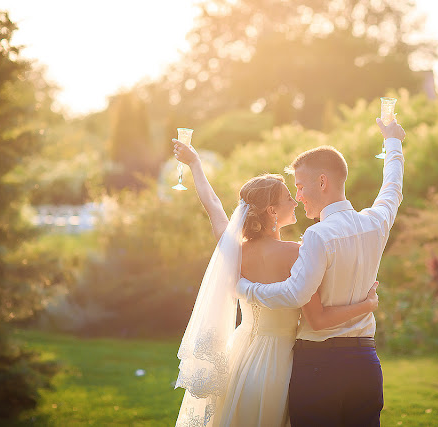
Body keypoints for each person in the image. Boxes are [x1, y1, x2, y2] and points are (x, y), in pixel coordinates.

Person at [171, 138, 380, 427]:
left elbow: (214, 207)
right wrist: (367, 303)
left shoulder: (235, 248)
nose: (296, 200)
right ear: (272, 211)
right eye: (287, 199)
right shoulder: (298, 253)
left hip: (240, 359)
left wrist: (195, 165)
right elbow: (316, 317)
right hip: (280, 365)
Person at [236, 118, 406, 426]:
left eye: (300, 187)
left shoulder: (317, 236)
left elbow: (295, 293)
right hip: (366, 363)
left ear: (323, 182)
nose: (297, 196)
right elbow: (392, 187)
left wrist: (246, 289)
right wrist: (393, 142)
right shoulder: (377, 221)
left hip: (318, 365)